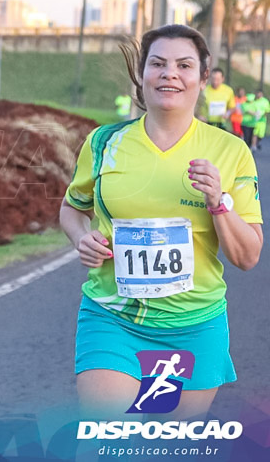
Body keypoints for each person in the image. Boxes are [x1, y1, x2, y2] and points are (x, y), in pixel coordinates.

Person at [61, 24, 262, 420]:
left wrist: (218, 202)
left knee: (163, 443)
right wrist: (81, 237)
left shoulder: (230, 151)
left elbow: (248, 255)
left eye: (184, 65)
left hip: (194, 323)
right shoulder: (104, 143)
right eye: (158, 64)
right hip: (113, 316)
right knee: (109, 435)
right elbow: (72, 208)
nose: (170, 73)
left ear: (203, 79)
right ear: (142, 74)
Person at [201, 67, 235, 131]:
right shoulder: (204, 90)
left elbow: (232, 107)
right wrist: (200, 116)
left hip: (222, 123)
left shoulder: (228, 90)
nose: (215, 82)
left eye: (218, 79)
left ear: (222, 79)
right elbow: (197, 106)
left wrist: (227, 114)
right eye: (213, 79)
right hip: (206, 123)